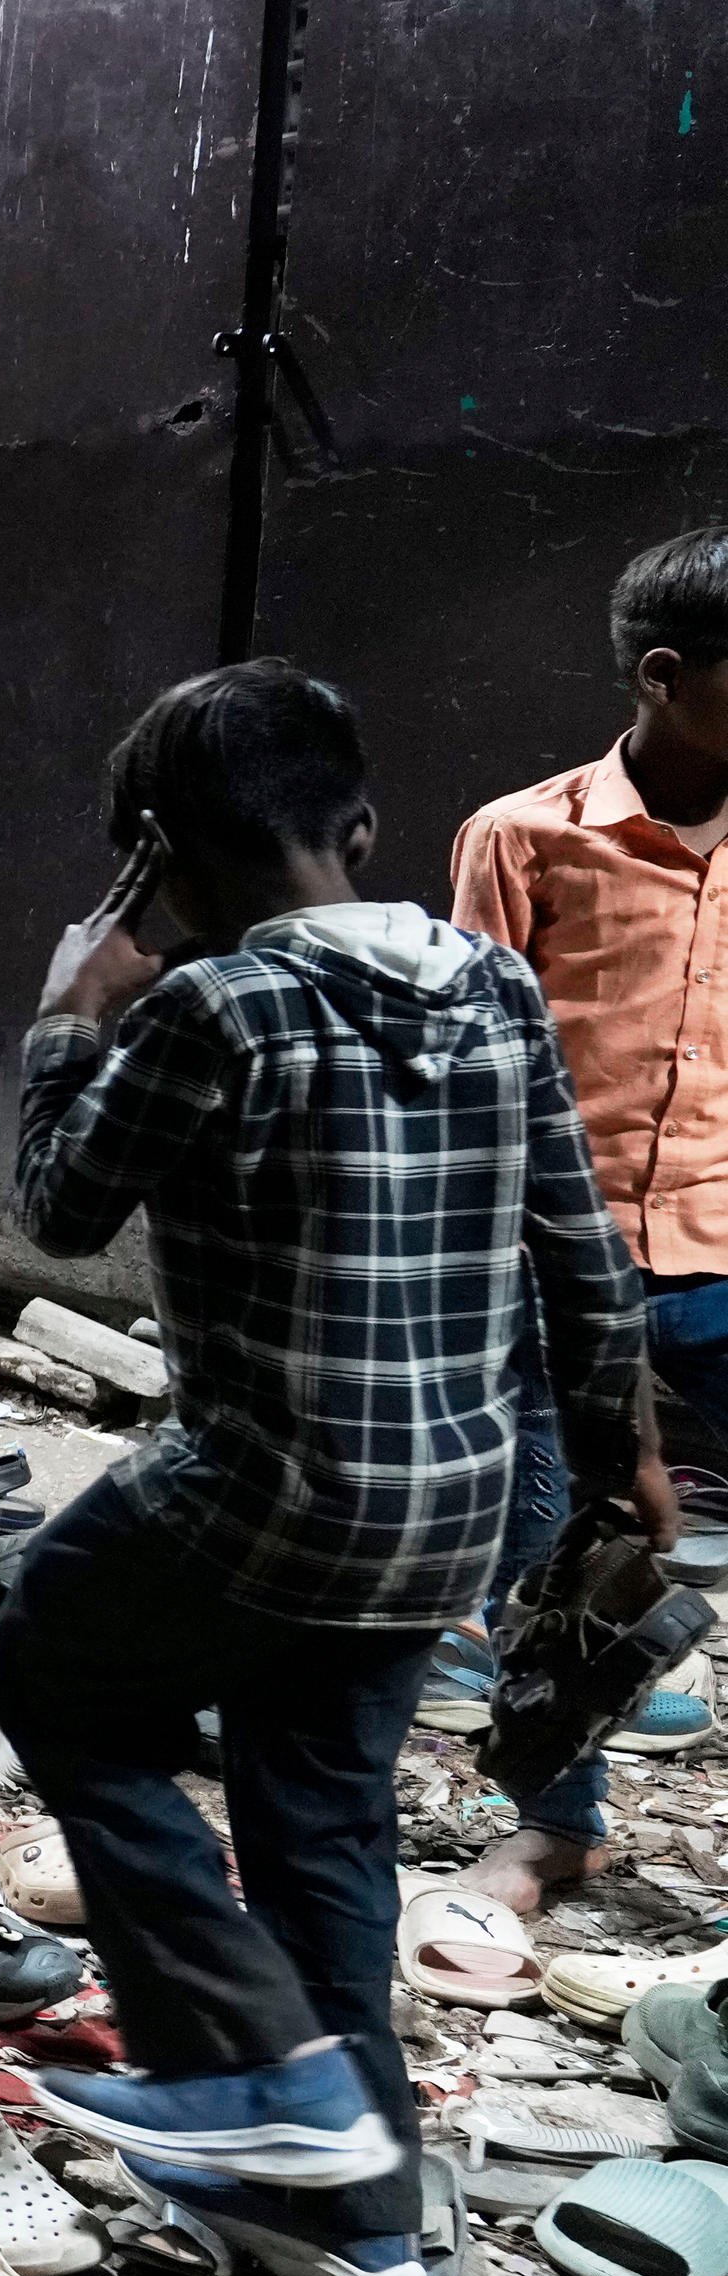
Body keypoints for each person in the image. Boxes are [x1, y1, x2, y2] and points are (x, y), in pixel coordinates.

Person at [0, 659, 647, 2276]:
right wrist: (617, 1458)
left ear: (159, 863)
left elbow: (61, 1211)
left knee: (48, 1668)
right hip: (448, 1493)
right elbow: (579, 1253)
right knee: (321, 1823)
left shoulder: (214, 1011)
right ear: (361, 822)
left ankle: (258, 2076)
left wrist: (74, 1010)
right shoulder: (497, 989)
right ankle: (363, 2221)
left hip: (266, 1486)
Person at [440, 521, 728, 1925]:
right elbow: (478, 1082)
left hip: (725, 1259)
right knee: (555, 1559)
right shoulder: (524, 836)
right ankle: (557, 1826)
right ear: (667, 676)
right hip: (565, 1267)